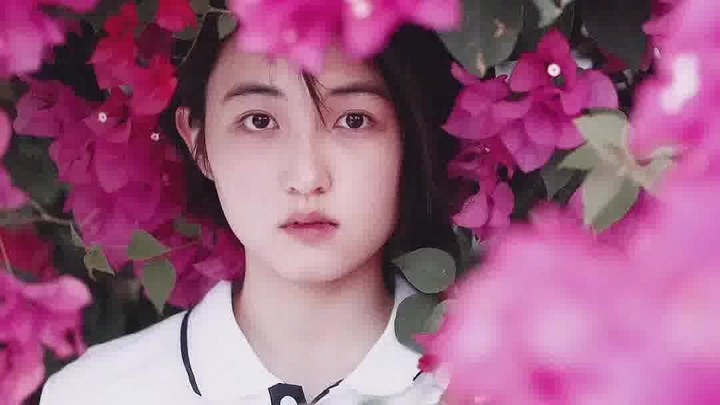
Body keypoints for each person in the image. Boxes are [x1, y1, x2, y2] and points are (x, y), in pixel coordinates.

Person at [40, 11, 463, 405]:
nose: (306, 177)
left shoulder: (483, 383)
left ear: (409, 137)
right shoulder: (95, 394)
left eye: (354, 120)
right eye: (259, 121)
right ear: (198, 142)